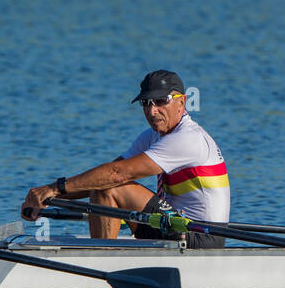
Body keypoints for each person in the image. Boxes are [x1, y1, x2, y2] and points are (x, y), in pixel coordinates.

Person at [20, 70, 229, 248]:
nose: (152, 110)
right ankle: (102, 253)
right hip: (174, 227)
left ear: (182, 102)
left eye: (160, 101)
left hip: (203, 236)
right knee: (104, 184)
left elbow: (116, 175)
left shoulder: (188, 138)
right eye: (146, 103)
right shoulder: (151, 137)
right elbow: (100, 178)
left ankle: (101, 260)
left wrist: (55, 188)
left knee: (111, 187)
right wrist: (47, 197)